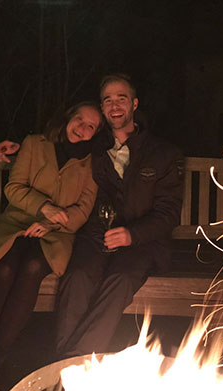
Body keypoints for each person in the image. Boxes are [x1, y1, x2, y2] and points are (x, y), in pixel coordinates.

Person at [0, 101, 101, 391]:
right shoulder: (36, 144)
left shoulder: (91, 163)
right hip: (16, 225)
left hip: (56, 234)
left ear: (95, 133)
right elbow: (14, 187)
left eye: (91, 126)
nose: (83, 128)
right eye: (80, 120)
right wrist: (43, 207)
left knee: (34, 266)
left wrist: (51, 222)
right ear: (68, 118)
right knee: (5, 269)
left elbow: (83, 210)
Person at [54, 74, 184, 359]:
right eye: (108, 100)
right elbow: (55, 149)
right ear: (102, 108)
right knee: (76, 277)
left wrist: (131, 234)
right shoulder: (94, 149)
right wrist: (15, 149)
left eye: (121, 99)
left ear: (134, 104)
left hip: (143, 243)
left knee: (120, 279)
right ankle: (69, 365)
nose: (114, 106)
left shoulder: (163, 153)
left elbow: (168, 214)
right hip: (96, 238)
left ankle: (71, 362)